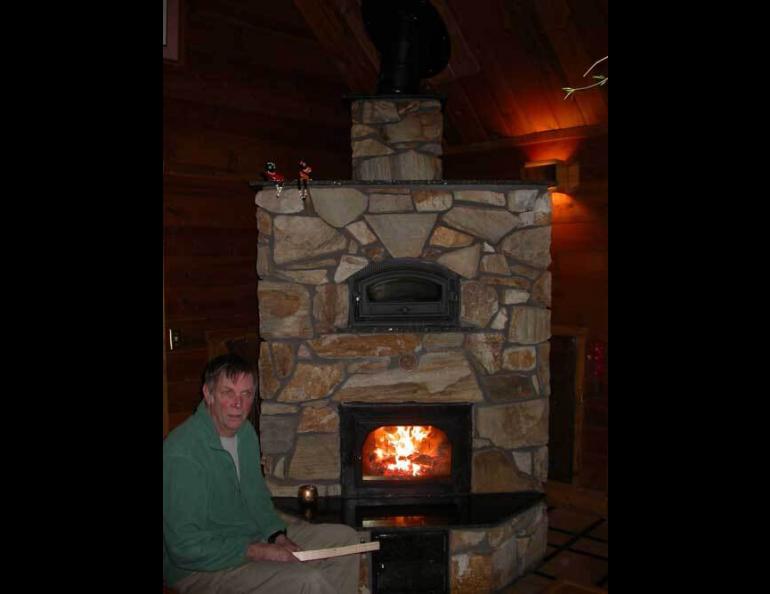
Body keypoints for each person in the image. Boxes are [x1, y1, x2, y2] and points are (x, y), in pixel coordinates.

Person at [163, 353, 360, 594]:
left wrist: (277, 536)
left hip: (248, 537)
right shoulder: (182, 451)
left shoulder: (245, 433)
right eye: (228, 393)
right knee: (307, 580)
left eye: (246, 394)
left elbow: (256, 498)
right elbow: (185, 548)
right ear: (208, 394)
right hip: (200, 569)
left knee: (347, 540)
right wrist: (258, 550)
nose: (239, 403)